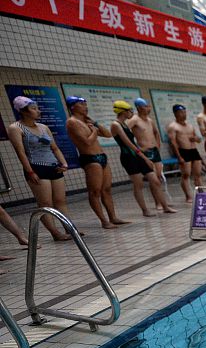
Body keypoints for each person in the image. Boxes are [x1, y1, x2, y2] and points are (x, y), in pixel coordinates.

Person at [5, 96, 71, 242]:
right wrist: (30, 171)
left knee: (60, 200)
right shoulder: (15, 128)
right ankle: (55, 233)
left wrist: (64, 163)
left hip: (54, 166)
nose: (38, 111)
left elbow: (54, 148)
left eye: (37, 108)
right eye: (34, 109)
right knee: (45, 203)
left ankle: (70, 229)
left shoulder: (43, 127)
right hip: (36, 167)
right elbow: (20, 152)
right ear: (23, 111)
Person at [65, 96, 129, 229]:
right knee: (95, 192)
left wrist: (95, 123)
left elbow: (108, 134)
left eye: (85, 104)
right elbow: (87, 142)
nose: (85, 106)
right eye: (82, 104)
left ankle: (113, 217)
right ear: (73, 107)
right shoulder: (72, 122)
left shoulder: (86, 121)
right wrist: (94, 131)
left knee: (107, 189)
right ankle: (104, 221)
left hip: (101, 157)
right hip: (90, 159)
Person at [110, 100, 175, 217]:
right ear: (123, 111)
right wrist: (145, 158)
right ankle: (145, 210)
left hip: (138, 155)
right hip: (129, 157)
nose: (132, 112)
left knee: (155, 180)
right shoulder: (116, 125)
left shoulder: (124, 124)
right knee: (138, 184)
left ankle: (165, 207)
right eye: (130, 110)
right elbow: (129, 143)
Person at [127, 98, 168, 204]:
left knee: (158, 177)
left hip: (155, 151)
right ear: (139, 108)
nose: (148, 108)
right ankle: (158, 203)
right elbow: (124, 134)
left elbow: (156, 133)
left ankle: (161, 202)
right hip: (145, 152)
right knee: (153, 179)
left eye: (149, 106)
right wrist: (137, 148)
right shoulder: (134, 120)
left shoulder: (150, 120)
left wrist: (158, 145)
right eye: (146, 106)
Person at [167, 104, 204, 203]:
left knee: (198, 174)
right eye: (181, 112)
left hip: (194, 150)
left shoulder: (190, 125)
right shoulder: (173, 126)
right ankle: (188, 196)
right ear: (175, 113)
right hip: (183, 151)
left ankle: (201, 194)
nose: (184, 114)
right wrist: (179, 156)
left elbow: (199, 139)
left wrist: (195, 139)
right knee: (186, 175)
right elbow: (173, 143)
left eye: (184, 112)